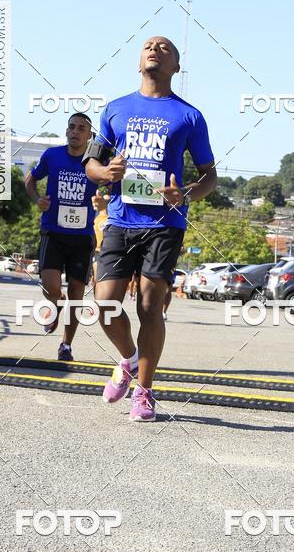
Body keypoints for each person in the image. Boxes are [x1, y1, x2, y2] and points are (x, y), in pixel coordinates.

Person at [84, 35, 216, 422]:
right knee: (105, 302)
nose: (155, 49)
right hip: (121, 221)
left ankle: (144, 391)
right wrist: (105, 172)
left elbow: (210, 177)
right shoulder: (116, 108)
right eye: (149, 46)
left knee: (149, 306)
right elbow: (92, 165)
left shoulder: (189, 116)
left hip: (165, 224)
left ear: (176, 66)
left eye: (166, 47)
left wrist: (186, 194)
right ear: (139, 61)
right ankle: (128, 359)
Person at [25, 113, 98, 362]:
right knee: (51, 287)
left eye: (81, 128)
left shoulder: (95, 163)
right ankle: (56, 304)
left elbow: (111, 184)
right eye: (71, 127)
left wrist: (104, 199)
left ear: (90, 136)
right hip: (54, 233)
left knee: (77, 294)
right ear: (67, 132)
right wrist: (37, 200)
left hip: (82, 238)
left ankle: (66, 345)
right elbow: (30, 180)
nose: (75, 131)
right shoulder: (52, 156)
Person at [91, 191, 110, 287]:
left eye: (109, 201)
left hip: (110, 251)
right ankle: (96, 300)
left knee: (105, 280)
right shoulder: (95, 215)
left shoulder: (113, 217)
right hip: (97, 251)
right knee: (97, 278)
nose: (107, 203)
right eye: (105, 200)